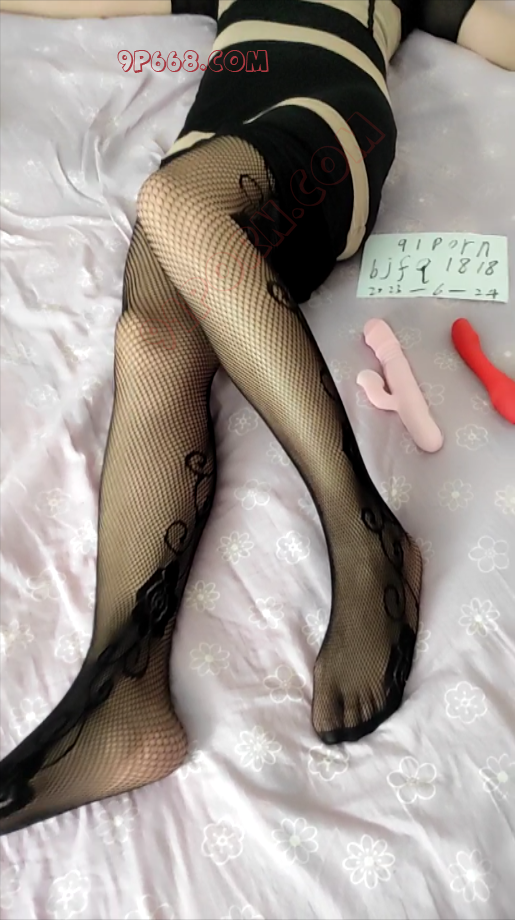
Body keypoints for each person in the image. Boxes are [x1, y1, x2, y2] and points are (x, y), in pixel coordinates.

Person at [0, 0, 513, 838]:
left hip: (326, 130)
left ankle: (365, 537)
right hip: (209, 158)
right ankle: (122, 698)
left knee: (174, 202)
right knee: (150, 340)